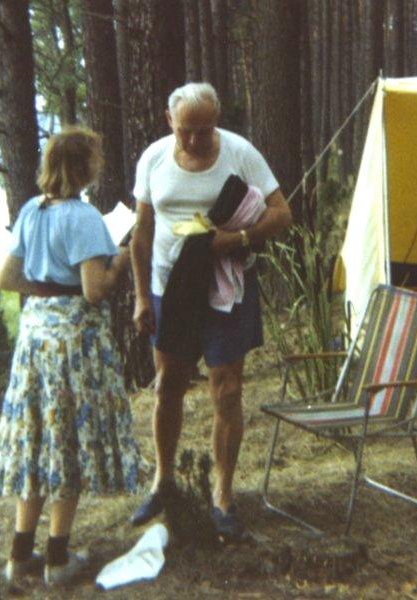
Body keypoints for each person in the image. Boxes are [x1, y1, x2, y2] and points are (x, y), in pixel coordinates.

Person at [129, 82, 292, 540]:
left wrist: (238, 240)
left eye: (206, 130)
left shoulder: (240, 153)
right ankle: (163, 481)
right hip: (170, 288)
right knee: (169, 384)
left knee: (227, 389)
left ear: (217, 122)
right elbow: (141, 233)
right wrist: (142, 297)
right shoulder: (154, 159)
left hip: (226, 289)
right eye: (186, 131)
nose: (196, 141)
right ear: (169, 122)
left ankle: (222, 495)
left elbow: (282, 213)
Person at [0, 126, 141, 586]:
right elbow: (94, 291)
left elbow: (6, 278)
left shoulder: (31, 211)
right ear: (85, 168)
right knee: (66, 444)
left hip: (35, 336)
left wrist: (44, 290)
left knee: (37, 440)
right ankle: (57, 559)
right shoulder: (83, 217)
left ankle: (20, 555)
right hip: (73, 344)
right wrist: (120, 255)